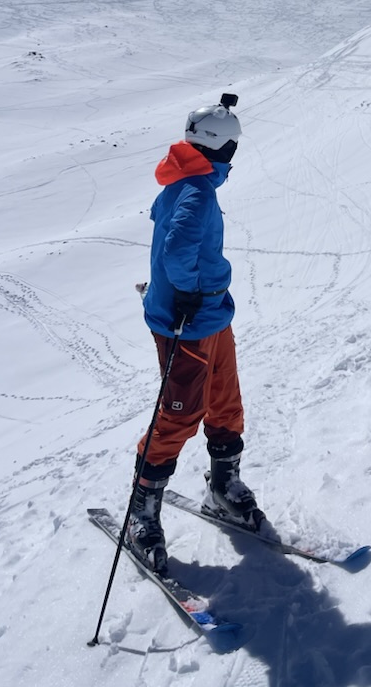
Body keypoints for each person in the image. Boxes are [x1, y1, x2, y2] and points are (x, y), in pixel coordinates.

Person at [128, 94, 257, 574]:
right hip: (186, 321)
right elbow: (179, 246)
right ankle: (142, 510)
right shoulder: (198, 190)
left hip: (210, 316)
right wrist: (185, 292)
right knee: (180, 415)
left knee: (226, 400)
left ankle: (224, 486)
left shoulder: (186, 178)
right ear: (223, 149)